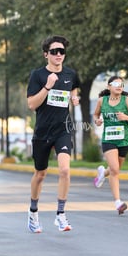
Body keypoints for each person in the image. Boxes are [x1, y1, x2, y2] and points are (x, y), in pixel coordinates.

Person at [26, 35, 80, 233]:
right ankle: (33, 213)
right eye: (54, 51)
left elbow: (74, 88)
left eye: (62, 51)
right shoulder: (37, 75)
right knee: (40, 173)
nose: (58, 54)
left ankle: (60, 215)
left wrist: (75, 98)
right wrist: (47, 86)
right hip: (42, 131)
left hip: (63, 130)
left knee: (65, 170)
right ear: (46, 54)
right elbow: (32, 104)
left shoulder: (71, 74)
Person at [93, 76, 128, 215]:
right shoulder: (102, 101)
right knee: (115, 170)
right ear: (109, 86)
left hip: (124, 141)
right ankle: (118, 202)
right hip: (108, 140)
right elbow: (95, 115)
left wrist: (126, 117)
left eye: (121, 84)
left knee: (114, 170)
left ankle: (103, 173)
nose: (119, 86)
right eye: (115, 83)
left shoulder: (127, 100)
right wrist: (97, 121)